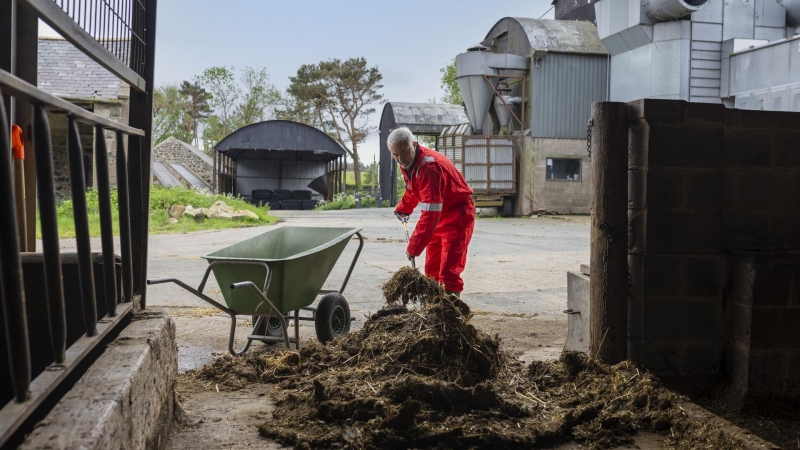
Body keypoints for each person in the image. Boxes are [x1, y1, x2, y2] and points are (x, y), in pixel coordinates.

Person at [388, 127, 475, 297]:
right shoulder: (408, 164)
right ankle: (432, 308)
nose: (400, 159)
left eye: (404, 153)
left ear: (413, 144)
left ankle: (451, 309)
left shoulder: (429, 167)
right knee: (432, 270)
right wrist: (404, 208)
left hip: (457, 214)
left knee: (449, 270)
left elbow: (430, 214)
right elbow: (414, 189)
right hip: (440, 216)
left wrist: (414, 246)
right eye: (395, 155)